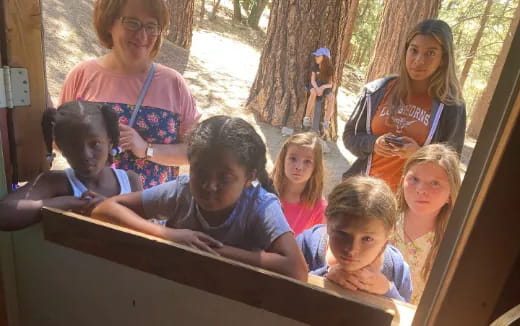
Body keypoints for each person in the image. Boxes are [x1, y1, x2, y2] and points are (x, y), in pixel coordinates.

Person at [92, 116, 308, 281]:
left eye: (224, 177)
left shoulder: (260, 206)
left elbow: (296, 270)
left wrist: (212, 251)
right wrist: (170, 235)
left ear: (249, 177)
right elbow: (106, 208)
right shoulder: (182, 191)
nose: (209, 185)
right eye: (200, 172)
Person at [59, 0, 200, 188]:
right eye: (132, 23)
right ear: (109, 23)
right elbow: (57, 138)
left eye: (151, 26)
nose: (142, 35)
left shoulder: (174, 84)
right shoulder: (82, 75)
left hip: (150, 213)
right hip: (90, 208)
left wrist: (147, 149)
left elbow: (195, 151)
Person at [343, 19, 466, 191]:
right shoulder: (377, 91)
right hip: (364, 193)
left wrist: (419, 155)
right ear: (405, 50)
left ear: (443, 59)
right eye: (414, 50)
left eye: (430, 53)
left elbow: (450, 165)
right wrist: (374, 143)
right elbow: (350, 136)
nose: (418, 60)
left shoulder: (452, 107)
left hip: (411, 202)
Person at [0, 101, 142, 231]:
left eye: (95, 143)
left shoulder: (130, 181)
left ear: (110, 142)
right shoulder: (55, 183)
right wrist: (72, 203)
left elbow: (144, 230)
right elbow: (4, 214)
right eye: (73, 146)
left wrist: (111, 210)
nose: (85, 155)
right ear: (61, 148)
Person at [297, 176, 412, 302]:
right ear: (328, 223)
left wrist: (387, 290)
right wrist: (324, 276)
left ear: (388, 235)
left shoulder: (397, 269)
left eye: (367, 239)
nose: (352, 249)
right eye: (343, 234)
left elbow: (407, 315)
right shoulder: (306, 245)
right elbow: (285, 292)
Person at [391, 144, 461, 304]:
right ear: (402, 181)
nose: (421, 189)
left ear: (451, 193)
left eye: (435, 183)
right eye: (414, 179)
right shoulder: (384, 220)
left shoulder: (453, 240)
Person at [272, 132, 327, 235]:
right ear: (283, 159)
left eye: (307, 161)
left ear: (316, 167)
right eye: (293, 159)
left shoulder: (319, 207)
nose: (299, 167)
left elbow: (316, 245)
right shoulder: (265, 191)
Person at [303, 47, 334, 133]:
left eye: (318, 56)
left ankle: (326, 121)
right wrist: (317, 88)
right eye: (315, 56)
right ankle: (307, 117)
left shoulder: (330, 69)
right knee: (313, 93)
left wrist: (322, 88)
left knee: (331, 98)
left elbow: (330, 84)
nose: (315, 58)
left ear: (324, 58)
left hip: (324, 86)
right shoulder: (315, 67)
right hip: (315, 84)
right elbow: (312, 80)